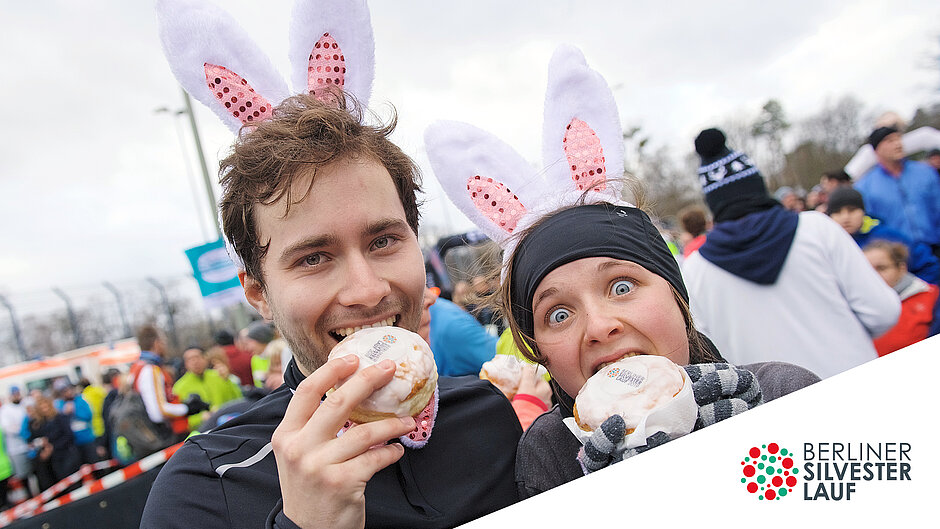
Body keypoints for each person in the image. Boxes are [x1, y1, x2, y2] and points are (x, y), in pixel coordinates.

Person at [141, 94, 521, 528]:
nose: (366, 290)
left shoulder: (488, 414)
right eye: (314, 258)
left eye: (383, 241)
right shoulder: (205, 490)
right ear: (259, 294)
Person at [495, 201, 820, 498]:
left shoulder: (783, 393)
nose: (598, 327)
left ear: (678, 297)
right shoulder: (548, 455)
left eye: (622, 286)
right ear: (541, 353)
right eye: (559, 314)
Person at [683, 129, 900, 379]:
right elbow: (882, 311)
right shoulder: (817, 228)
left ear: (714, 203)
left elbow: (710, 356)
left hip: (771, 400)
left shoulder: (695, 268)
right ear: (758, 186)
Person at [854, 126, 940, 258]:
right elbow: (869, 225)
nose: (898, 144)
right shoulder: (865, 186)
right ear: (876, 150)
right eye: (889, 141)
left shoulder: (926, 172)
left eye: (898, 138)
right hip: (897, 256)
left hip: (934, 250)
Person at [826, 186, 939, 285]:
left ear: (863, 212)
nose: (845, 217)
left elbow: (929, 266)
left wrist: (914, 296)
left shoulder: (888, 236)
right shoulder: (827, 245)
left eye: (852, 210)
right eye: (837, 212)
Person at [132, 325, 209, 443]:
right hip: (166, 435)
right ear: (156, 343)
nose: (165, 346)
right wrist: (187, 408)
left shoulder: (138, 367)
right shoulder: (151, 369)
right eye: (164, 342)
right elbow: (158, 411)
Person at [863, 240, 939, 355]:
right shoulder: (854, 303)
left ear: (901, 268)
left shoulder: (932, 296)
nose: (874, 275)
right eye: (867, 269)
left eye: (881, 268)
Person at [172, 347, 243, 430]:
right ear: (185, 364)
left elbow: (238, 398)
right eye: (190, 359)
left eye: (197, 357)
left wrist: (228, 381)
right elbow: (181, 422)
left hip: (229, 425)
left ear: (205, 358)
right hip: (204, 432)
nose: (195, 362)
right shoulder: (179, 387)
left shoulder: (219, 375)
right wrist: (201, 417)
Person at [0, 388, 31, 495]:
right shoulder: (6, 410)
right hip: (15, 449)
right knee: (23, 477)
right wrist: (22, 430)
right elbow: (8, 428)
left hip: (28, 446)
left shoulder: (24, 405)